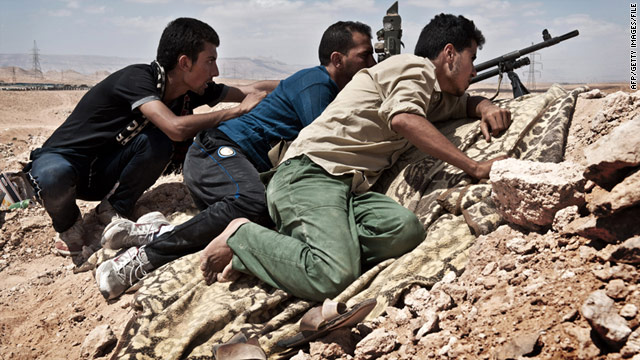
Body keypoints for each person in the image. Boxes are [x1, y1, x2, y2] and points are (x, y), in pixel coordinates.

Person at [195, 13, 512, 302]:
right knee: (333, 278)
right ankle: (243, 236)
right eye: (472, 59)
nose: (473, 70)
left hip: (348, 188)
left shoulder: (434, 94)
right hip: (311, 173)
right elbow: (404, 118)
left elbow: (465, 104)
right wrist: (475, 167)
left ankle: (281, 249)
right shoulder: (415, 70)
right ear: (449, 54)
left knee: (405, 230)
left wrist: (485, 106)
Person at [95, 21, 377, 300]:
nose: (372, 61)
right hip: (215, 152)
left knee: (269, 214)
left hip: (228, 172)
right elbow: (324, 147)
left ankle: (159, 232)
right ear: (337, 60)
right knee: (253, 199)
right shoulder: (318, 84)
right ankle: (144, 258)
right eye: (365, 54)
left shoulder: (315, 83)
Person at [25, 18, 277, 257]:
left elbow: (251, 90)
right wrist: (234, 112)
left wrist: (306, 79)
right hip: (64, 164)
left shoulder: (189, 90)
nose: (216, 71)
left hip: (103, 172)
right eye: (209, 61)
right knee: (53, 175)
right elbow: (176, 127)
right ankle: (68, 226)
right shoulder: (137, 79)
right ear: (185, 63)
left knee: (157, 143)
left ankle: (113, 208)